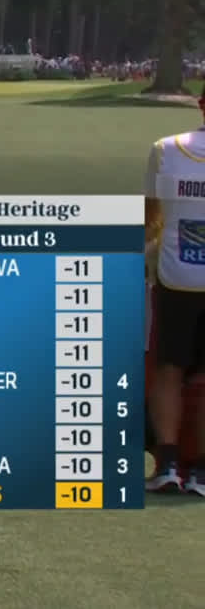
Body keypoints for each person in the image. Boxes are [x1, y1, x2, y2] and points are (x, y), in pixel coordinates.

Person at [143, 92, 205, 494]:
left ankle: (167, 463)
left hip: (175, 275)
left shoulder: (167, 150)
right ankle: (199, 470)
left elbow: (151, 217)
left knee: (169, 367)